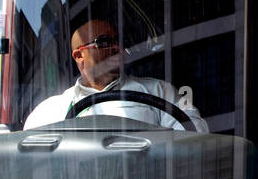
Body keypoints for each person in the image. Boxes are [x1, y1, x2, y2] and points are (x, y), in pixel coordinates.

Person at [25, 19, 208, 132]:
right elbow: (31, 162)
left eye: (117, 41)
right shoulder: (50, 110)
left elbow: (194, 135)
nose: (116, 48)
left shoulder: (159, 91)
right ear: (79, 55)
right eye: (104, 42)